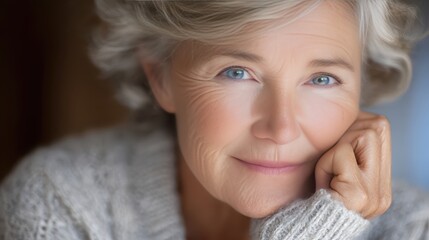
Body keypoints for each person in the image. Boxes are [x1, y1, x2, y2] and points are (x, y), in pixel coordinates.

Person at [1, 0, 429, 239]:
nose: (281, 126)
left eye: (321, 78)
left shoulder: (411, 229)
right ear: (161, 76)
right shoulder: (62, 203)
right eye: (237, 72)